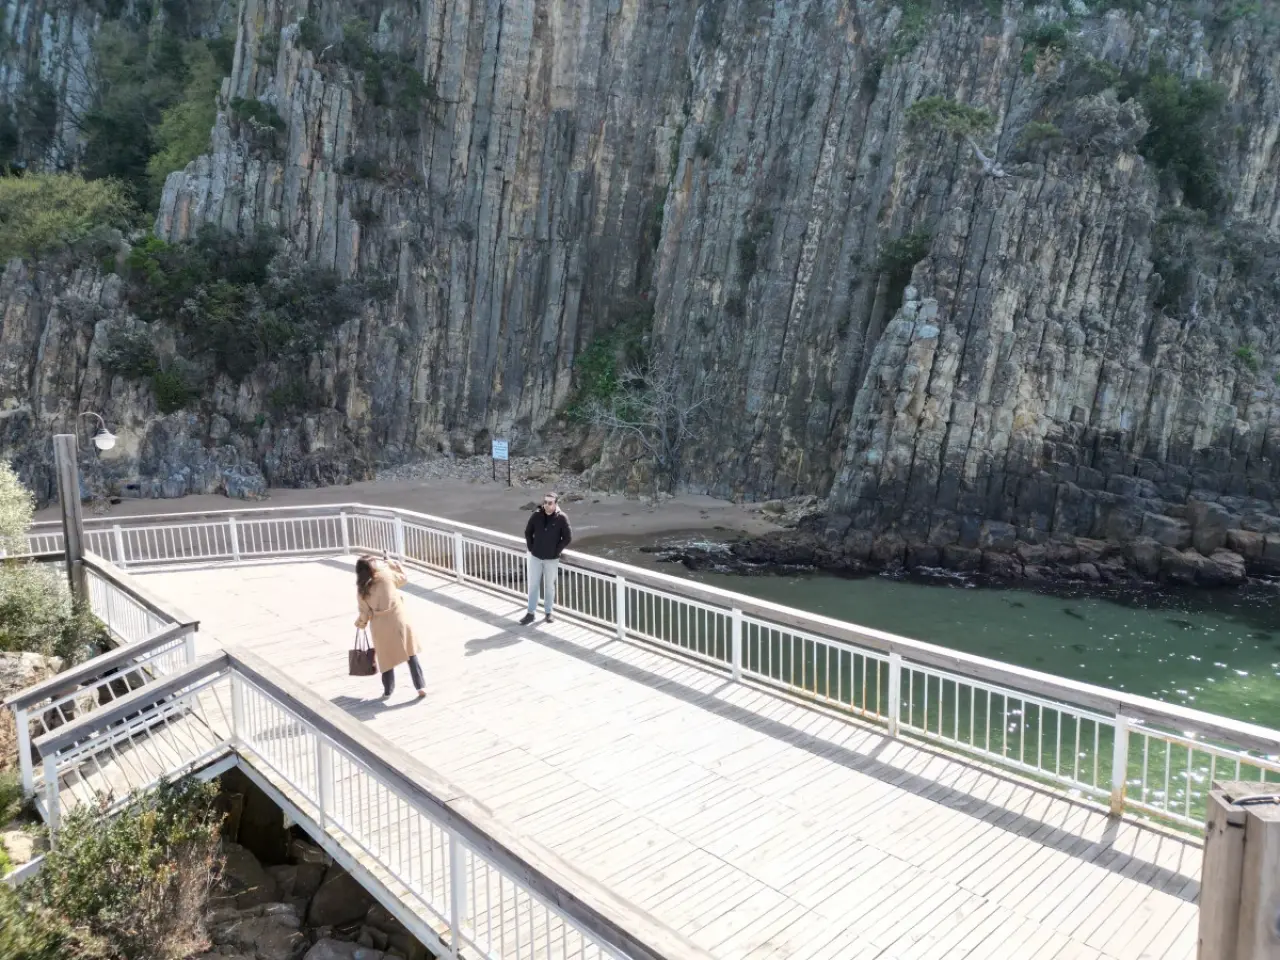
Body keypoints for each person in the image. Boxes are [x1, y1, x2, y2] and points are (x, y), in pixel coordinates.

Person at [354, 554, 425, 699]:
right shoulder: (386, 575)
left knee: (386, 659)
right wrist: (393, 564)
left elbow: (365, 612)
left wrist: (360, 624)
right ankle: (420, 687)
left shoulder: (362, 589)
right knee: (411, 654)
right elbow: (403, 578)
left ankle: (388, 691)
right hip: (399, 620)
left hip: (380, 626)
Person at [520, 492, 572, 625]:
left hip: (552, 559)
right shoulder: (537, 515)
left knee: (550, 586)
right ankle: (530, 613)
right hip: (536, 557)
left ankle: (548, 612)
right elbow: (528, 532)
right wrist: (531, 547)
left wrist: (556, 551)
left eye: (550, 503)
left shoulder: (562, 518)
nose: (547, 505)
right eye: (545, 502)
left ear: (556, 504)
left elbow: (567, 538)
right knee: (533, 585)